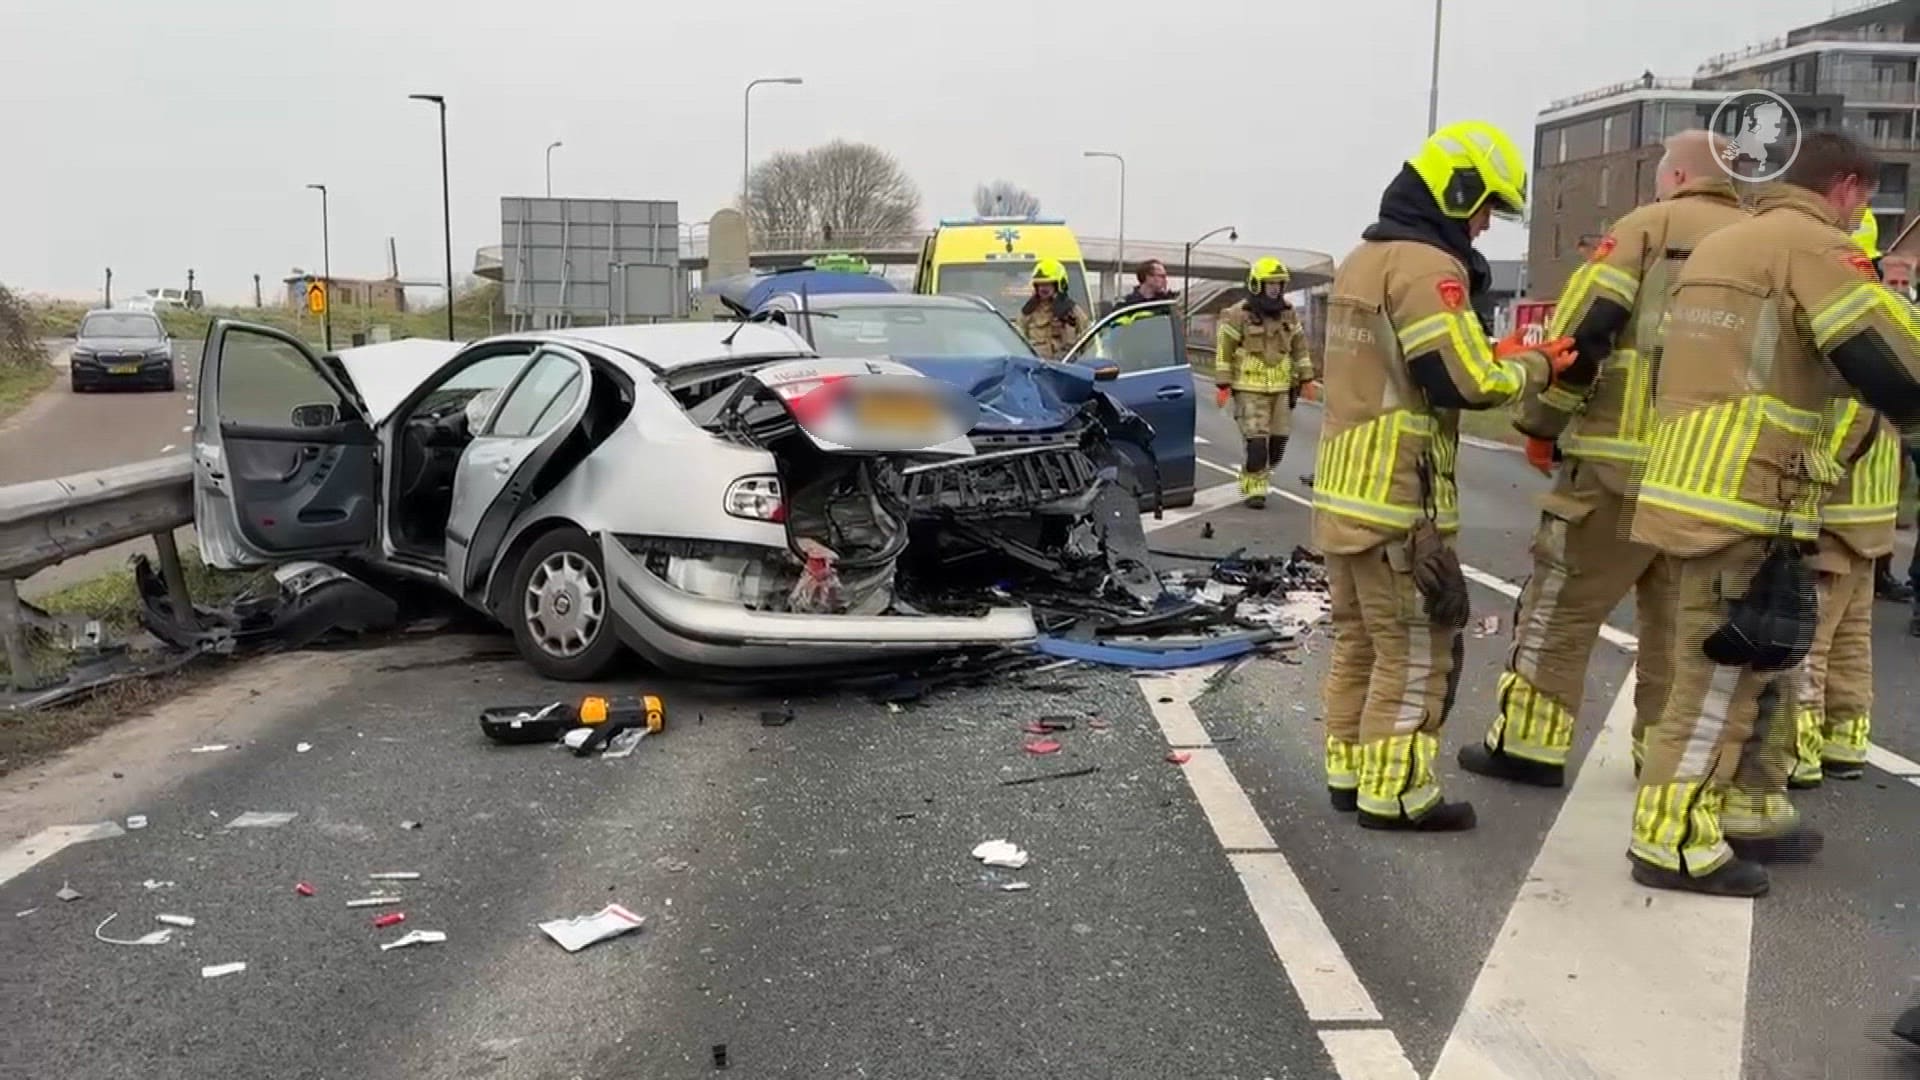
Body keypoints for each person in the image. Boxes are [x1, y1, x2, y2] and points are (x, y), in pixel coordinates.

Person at [1625, 130, 1920, 897]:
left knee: (1762, 668)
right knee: (1715, 679)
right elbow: (1892, 365)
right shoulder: (1814, 249)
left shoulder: (1730, 243)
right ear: (1849, 189)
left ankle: (1750, 806)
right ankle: (1673, 842)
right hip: (1747, 495)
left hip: (1696, 482)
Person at [1459, 130, 1747, 787]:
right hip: (1714, 481)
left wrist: (1540, 422)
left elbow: (1585, 334)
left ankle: (1529, 746)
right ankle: (1661, 759)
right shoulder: (1760, 244)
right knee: (1678, 632)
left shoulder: (1645, 230)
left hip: (1619, 468)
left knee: (1561, 610)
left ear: (1673, 178)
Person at [1313, 120, 1576, 830]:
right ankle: (1396, 792)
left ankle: (1350, 771)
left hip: (1345, 490)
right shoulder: (1430, 268)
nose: (1485, 224)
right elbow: (1462, 378)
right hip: (1402, 498)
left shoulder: (1361, 260)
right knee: (1416, 649)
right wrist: (1538, 363)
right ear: (1455, 190)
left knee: (1360, 642)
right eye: (1483, 205)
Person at [1788, 401, 1899, 789]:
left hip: (1831, 523)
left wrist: (1801, 494)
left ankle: (1797, 751)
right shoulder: (1894, 367)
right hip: (1868, 523)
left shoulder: (1850, 372)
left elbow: (1845, 427)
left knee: (1807, 643)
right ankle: (1846, 741)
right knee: (1850, 639)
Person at [1215, 257, 1315, 508]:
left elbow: (1299, 347)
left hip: (1281, 389)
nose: (1275, 290)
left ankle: (1258, 475)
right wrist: (1224, 385)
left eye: (1279, 285)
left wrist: (1306, 378)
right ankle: (1253, 488)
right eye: (1270, 284)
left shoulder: (1289, 314)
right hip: (1249, 390)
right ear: (1257, 285)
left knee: (1278, 443)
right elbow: (1224, 351)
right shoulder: (1238, 315)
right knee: (1257, 444)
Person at [1019, 258, 1090, 360]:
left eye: (1047, 284)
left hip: (1066, 368)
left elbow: (1088, 339)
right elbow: (1017, 341)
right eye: (1040, 284)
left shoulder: (1072, 311)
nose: (1043, 289)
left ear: (1059, 285)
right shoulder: (1028, 312)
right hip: (1038, 369)